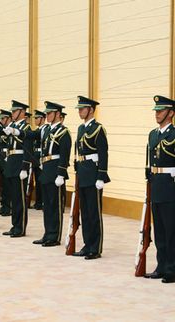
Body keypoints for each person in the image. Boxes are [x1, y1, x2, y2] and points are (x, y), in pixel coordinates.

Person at [73, 95, 109, 260]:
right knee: (85, 213)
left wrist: (101, 175)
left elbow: (103, 153)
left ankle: (95, 247)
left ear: (91, 110)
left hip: (93, 174)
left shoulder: (98, 129)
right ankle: (87, 245)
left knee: (94, 213)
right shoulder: (81, 128)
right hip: (83, 172)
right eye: (79, 109)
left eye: (83, 108)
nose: (80, 111)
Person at [144, 95, 175, 283]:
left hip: (171, 185)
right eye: (156, 111)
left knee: (171, 230)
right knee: (159, 231)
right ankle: (161, 266)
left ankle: (171, 269)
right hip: (156, 184)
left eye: (161, 110)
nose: (157, 114)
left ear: (171, 113)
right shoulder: (153, 134)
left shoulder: (174, 134)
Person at [33, 101, 71, 247]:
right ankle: (47, 233)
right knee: (47, 205)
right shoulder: (46, 130)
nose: (47, 115)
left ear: (58, 115)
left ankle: (54, 236)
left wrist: (61, 173)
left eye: (49, 113)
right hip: (46, 170)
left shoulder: (63, 132)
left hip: (55, 170)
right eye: (47, 113)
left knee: (55, 205)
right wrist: (16, 132)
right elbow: (31, 134)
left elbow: (64, 154)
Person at [1, 100, 32, 237]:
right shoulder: (12, 126)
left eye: (14, 111)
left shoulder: (26, 129)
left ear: (22, 112)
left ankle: (20, 227)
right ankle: (14, 225)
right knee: (14, 198)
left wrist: (25, 167)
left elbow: (28, 149)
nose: (12, 113)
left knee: (20, 199)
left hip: (20, 165)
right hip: (11, 164)